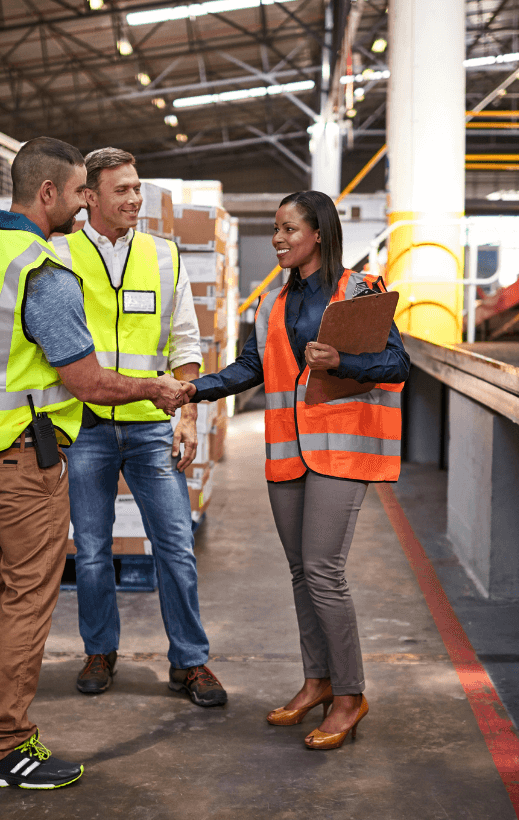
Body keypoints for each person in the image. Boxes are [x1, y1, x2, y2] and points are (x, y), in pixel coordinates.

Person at [0, 136, 196, 790]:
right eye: (81, 192)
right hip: (22, 458)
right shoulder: (40, 268)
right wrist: (158, 389)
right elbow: (88, 383)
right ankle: (6, 745)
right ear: (47, 193)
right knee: (27, 594)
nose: (86, 204)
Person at [187, 190, 409, 750]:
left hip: (341, 450)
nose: (279, 239)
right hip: (288, 452)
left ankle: (350, 695)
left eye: (290, 229)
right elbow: (249, 369)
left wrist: (344, 363)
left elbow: (397, 364)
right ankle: (317, 680)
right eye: (276, 230)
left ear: (318, 234)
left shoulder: (359, 290)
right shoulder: (270, 305)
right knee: (299, 572)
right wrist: (193, 389)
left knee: (323, 569)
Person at [50, 148, 226, 707]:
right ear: (90, 197)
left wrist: (190, 414)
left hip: (152, 424)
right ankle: (99, 650)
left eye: (136, 188)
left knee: (176, 545)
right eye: (121, 190)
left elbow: (186, 341)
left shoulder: (164, 254)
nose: (133, 199)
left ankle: (190, 661)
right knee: (95, 550)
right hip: (88, 426)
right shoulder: (58, 256)